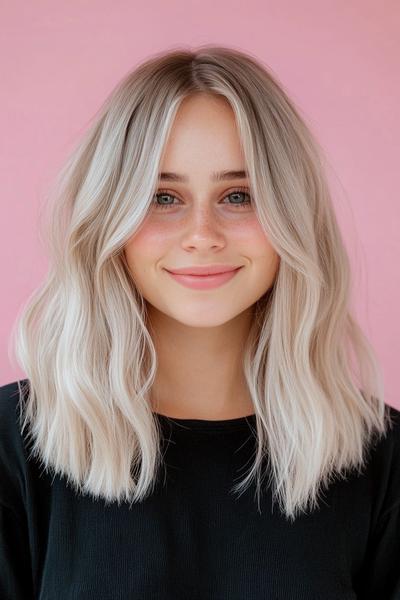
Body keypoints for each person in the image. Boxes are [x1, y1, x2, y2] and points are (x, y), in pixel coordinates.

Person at [1, 45, 399, 599]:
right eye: (163, 197)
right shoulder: (13, 445)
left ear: (292, 213)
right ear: (108, 216)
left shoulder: (382, 459)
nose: (202, 233)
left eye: (239, 195)